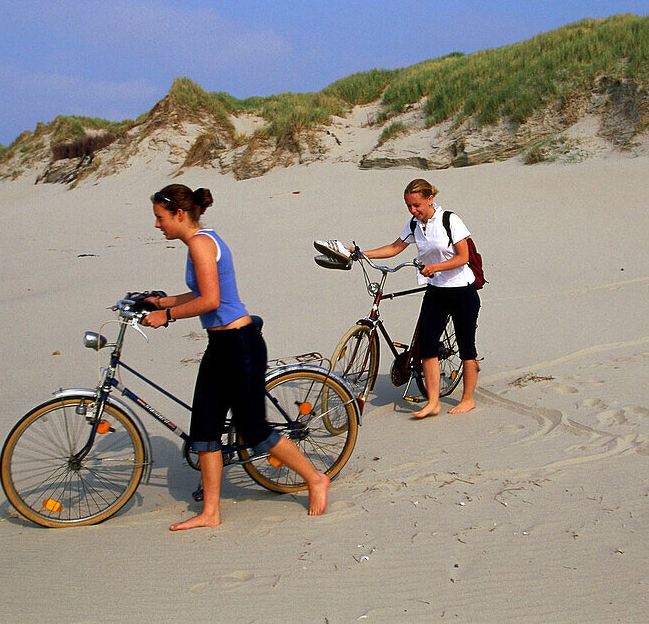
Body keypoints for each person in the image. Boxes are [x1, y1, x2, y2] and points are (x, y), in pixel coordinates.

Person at [140, 184, 329, 530]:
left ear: (179, 214)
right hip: (222, 345)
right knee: (205, 429)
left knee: (253, 429)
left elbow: (210, 301)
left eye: (160, 217)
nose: (157, 225)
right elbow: (200, 292)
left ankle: (315, 479)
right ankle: (210, 513)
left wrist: (167, 317)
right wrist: (162, 302)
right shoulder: (199, 240)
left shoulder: (199, 243)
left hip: (240, 345)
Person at [357, 179, 480, 419]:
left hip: (462, 290)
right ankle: (433, 401)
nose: (413, 210)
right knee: (427, 345)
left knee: (467, 346)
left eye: (417, 205)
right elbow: (394, 248)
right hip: (435, 290)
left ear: (430, 199)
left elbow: (463, 257)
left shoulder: (449, 220)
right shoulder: (415, 224)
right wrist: (362, 253)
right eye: (409, 206)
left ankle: (468, 399)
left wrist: (435, 267)